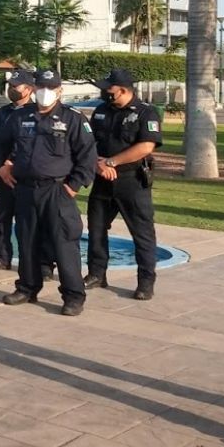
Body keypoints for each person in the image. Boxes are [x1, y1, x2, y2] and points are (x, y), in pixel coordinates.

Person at [0, 69, 96, 316]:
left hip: (57, 190)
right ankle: (27, 287)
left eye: (50, 88)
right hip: (26, 189)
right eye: (41, 87)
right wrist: (2, 166)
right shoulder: (21, 116)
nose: (45, 92)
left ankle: (73, 296)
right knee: (27, 240)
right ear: (33, 89)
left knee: (64, 244)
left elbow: (87, 156)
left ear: (59, 91)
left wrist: (73, 186)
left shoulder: (73, 118)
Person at [84, 68, 163, 299]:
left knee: (142, 233)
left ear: (123, 90)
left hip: (132, 180)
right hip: (102, 179)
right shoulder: (101, 110)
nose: (105, 92)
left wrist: (112, 162)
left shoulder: (146, 113)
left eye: (109, 88)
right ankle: (97, 274)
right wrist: (99, 164)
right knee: (96, 228)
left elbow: (146, 146)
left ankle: (145, 282)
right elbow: (89, 142)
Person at [0, 69, 35, 271]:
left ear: (28, 89)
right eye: (10, 86)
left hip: (25, 174)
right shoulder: (3, 113)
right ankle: (1, 256)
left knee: (28, 220)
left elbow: (30, 143)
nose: (12, 89)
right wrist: (1, 166)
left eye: (16, 86)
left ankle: (36, 262)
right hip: (3, 173)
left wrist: (12, 162)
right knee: (1, 216)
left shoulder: (36, 111)